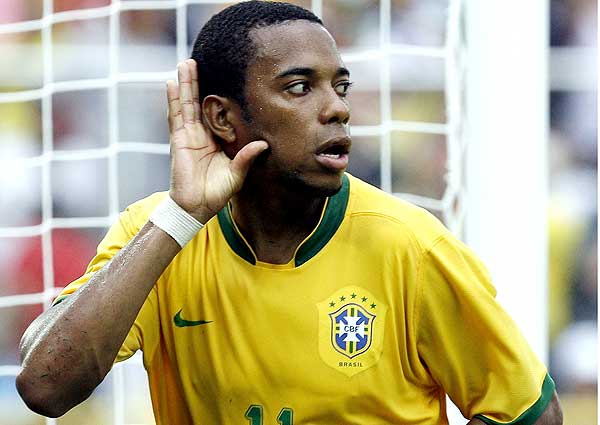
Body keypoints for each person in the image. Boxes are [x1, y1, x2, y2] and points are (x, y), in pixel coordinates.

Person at [16, 2, 562, 424]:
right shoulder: (158, 233)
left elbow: (530, 414)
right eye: (300, 87)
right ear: (223, 118)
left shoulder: (411, 245)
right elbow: (45, 388)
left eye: (340, 86)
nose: (337, 107)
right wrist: (182, 215)